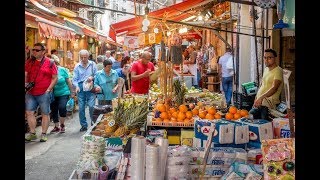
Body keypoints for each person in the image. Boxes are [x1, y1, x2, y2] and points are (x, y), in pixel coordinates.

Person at [25, 43, 58, 142]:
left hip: (44, 92)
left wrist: (49, 89)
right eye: (33, 50)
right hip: (31, 92)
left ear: (43, 52)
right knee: (29, 112)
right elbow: (26, 74)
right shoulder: (29, 62)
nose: (34, 51)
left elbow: (55, 78)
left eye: (37, 50)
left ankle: (43, 134)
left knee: (45, 113)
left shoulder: (50, 62)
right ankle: (32, 133)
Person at [249, 49, 283, 120]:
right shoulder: (266, 69)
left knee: (265, 126)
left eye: (270, 57)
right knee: (251, 120)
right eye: (265, 57)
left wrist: (261, 97)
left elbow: (274, 88)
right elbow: (262, 85)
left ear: (275, 58)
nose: (266, 60)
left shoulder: (278, 71)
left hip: (269, 105)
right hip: (260, 103)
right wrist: (257, 97)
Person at [72, 49, 98, 132]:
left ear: (88, 57)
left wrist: (92, 77)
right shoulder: (77, 66)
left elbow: (97, 75)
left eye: (85, 57)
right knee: (81, 108)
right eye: (81, 57)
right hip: (81, 87)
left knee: (91, 106)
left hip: (90, 86)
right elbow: (74, 79)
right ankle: (83, 125)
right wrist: (76, 86)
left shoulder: (93, 64)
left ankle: (93, 124)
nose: (83, 59)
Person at [50, 58, 74, 133]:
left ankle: (62, 125)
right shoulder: (48, 71)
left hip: (64, 92)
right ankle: (56, 126)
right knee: (53, 109)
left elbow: (68, 81)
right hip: (52, 93)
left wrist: (72, 92)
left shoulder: (62, 70)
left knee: (62, 107)